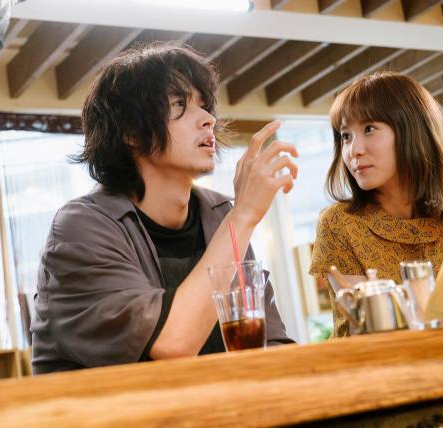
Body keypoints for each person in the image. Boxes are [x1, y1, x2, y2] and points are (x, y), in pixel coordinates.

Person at [31, 42, 298, 374]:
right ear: (130, 132)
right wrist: (243, 216)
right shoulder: (81, 228)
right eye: (180, 104)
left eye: (205, 106)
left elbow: (269, 342)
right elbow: (172, 344)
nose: (208, 119)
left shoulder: (218, 214)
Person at [309, 71, 443, 337]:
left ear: (412, 129)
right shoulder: (338, 223)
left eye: (369, 129)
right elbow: (373, 329)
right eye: (345, 136)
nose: (353, 150)